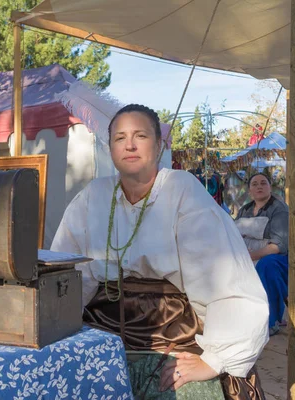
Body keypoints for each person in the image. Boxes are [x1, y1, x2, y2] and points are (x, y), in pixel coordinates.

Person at [52, 104, 269, 399]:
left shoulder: (181, 190)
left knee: (186, 390)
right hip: (102, 325)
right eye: (119, 138)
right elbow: (68, 271)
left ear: (159, 145)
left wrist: (214, 358)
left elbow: (223, 279)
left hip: (173, 329)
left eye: (140, 135)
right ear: (110, 147)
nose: (129, 145)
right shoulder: (93, 196)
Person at [234, 173, 289, 336]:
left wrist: (251, 257)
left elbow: (278, 246)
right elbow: (235, 234)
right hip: (249, 254)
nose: (259, 186)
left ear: (270, 187)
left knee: (267, 266)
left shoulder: (280, 210)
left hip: (278, 258)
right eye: (255, 184)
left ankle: (269, 321)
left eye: (263, 183)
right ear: (250, 190)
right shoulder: (245, 210)